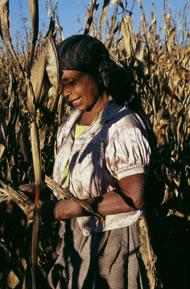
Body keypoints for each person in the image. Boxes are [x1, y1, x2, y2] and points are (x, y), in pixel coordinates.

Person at [24, 34, 151, 289]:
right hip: (73, 238)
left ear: (97, 73)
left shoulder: (122, 125)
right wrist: (32, 194)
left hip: (111, 244)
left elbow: (134, 197)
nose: (67, 93)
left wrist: (61, 210)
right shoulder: (70, 123)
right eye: (61, 85)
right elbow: (68, 186)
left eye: (72, 82)